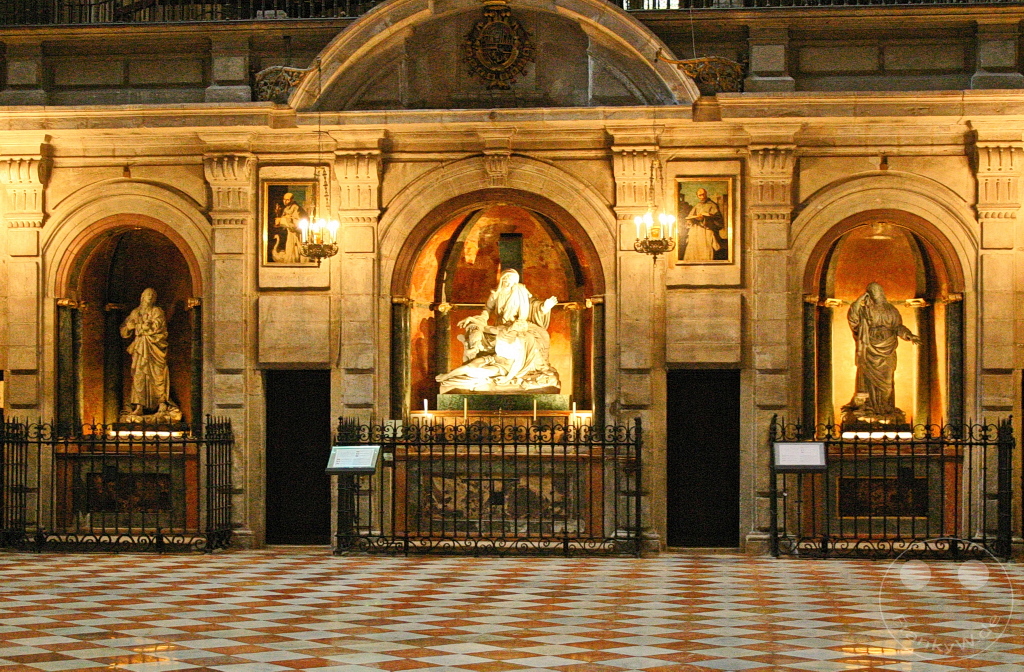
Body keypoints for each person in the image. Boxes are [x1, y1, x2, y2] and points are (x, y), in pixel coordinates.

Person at [436, 268, 560, 393]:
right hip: (501, 327)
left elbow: (532, 303)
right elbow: (487, 310)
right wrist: (478, 320)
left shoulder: (521, 290)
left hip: (520, 324)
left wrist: (544, 307)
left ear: (515, 281)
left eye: (511, 278)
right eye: (505, 277)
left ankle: (537, 367)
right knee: (475, 328)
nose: (507, 280)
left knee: (536, 337)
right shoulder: (496, 294)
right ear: (502, 279)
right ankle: (472, 351)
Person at [843, 282, 920, 422]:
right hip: (869, 348)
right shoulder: (865, 310)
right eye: (872, 291)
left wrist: (908, 335)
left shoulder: (892, 310)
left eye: (877, 291)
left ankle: (885, 408)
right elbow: (853, 319)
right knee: (868, 381)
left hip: (887, 349)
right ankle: (869, 408)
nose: (875, 294)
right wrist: (859, 300)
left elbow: (898, 327)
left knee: (887, 383)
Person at [120, 288, 180, 420]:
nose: (150, 297)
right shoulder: (135, 312)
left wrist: (141, 327)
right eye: (148, 294)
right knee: (139, 376)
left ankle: (162, 403)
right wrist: (129, 327)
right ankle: (139, 406)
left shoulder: (157, 311)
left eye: (153, 295)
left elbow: (158, 327)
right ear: (142, 296)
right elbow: (124, 331)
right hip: (140, 349)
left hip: (155, 348)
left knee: (158, 375)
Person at [682, 187, 724, 261]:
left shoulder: (712, 205)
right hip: (696, 230)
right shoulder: (697, 205)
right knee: (693, 250)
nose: (702, 197)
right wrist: (691, 220)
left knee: (706, 249)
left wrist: (705, 218)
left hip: (706, 231)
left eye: (703, 194)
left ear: (706, 194)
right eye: (700, 195)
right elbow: (690, 216)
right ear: (697, 196)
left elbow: (718, 220)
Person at [270, 191, 308, 263]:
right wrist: (280, 218)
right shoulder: (286, 208)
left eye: (287, 200)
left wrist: (283, 220)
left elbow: (296, 223)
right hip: (288, 233)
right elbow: (283, 221)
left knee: (293, 251)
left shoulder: (296, 208)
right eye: (284, 199)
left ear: (292, 200)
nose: (285, 201)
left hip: (295, 234)